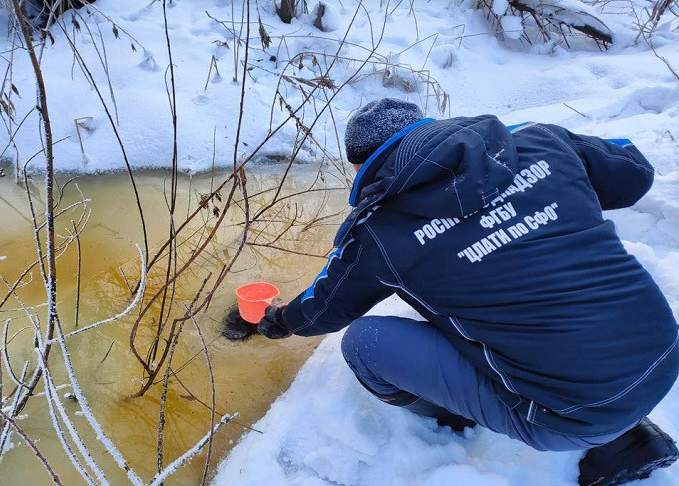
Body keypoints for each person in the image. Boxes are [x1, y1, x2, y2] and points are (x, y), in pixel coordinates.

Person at [256, 98, 679, 485]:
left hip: (570, 417)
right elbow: (635, 173)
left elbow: (321, 312)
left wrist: (276, 320)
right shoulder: (539, 141)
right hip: (664, 354)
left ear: (360, 167)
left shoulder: (380, 231)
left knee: (365, 344)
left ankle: (455, 420)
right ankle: (626, 425)